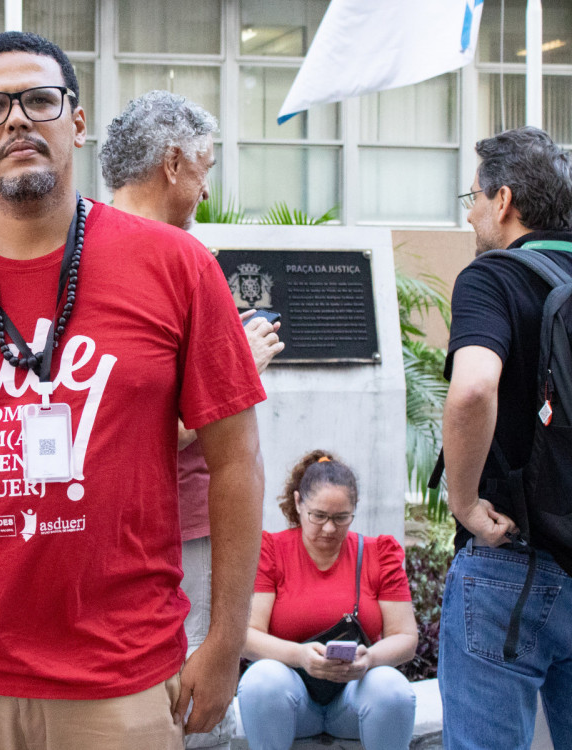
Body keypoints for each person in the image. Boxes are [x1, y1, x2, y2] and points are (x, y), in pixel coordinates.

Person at [0, 31, 267, 750]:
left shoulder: (177, 267)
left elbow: (237, 460)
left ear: (78, 122)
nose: (18, 120)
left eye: (40, 99)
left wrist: (225, 640)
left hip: (121, 672)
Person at [100, 89, 284, 749]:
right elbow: (132, 429)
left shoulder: (72, 255)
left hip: (105, 531)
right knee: (196, 688)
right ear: (174, 163)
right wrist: (243, 372)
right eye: (206, 167)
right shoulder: (180, 259)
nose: (206, 190)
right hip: (178, 524)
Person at [438, 126, 572, 749]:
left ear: (504, 200)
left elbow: (471, 389)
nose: (468, 213)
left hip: (509, 564)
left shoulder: (493, 276)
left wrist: (464, 503)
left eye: (471, 197)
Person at [238, 450, 418, 750]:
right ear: (298, 503)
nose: (330, 528)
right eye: (318, 516)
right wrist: (300, 656)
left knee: (391, 688)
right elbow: (246, 636)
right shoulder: (272, 550)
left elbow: (406, 638)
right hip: (293, 700)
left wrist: (369, 658)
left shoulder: (379, 553)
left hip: (354, 698)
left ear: (354, 510)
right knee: (262, 681)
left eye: (341, 517)